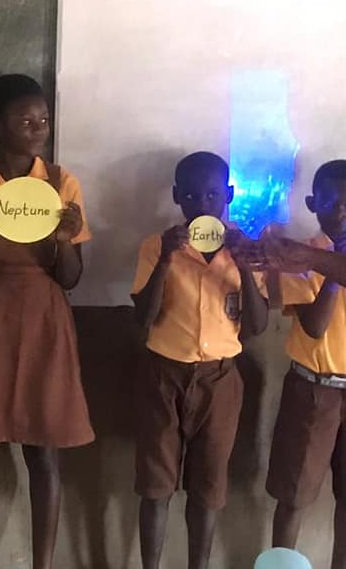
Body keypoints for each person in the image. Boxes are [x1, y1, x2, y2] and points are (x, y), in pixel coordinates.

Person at [0, 74, 93, 569]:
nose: (38, 128)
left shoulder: (61, 183)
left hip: (44, 318)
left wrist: (66, 240)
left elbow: (70, 278)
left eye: (43, 119)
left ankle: (42, 564)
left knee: (43, 450)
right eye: (25, 120)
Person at [131, 151, 268, 569]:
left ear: (228, 194)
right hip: (163, 374)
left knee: (208, 488)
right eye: (190, 195)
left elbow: (257, 327)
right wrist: (167, 259)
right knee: (156, 486)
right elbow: (144, 318)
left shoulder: (246, 247)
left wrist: (244, 267)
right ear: (176, 197)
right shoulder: (157, 246)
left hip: (220, 381)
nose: (202, 204)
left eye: (212, 194)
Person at [262, 160, 346, 569]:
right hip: (315, 388)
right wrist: (333, 267)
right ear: (313, 204)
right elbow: (314, 326)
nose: (344, 213)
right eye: (333, 203)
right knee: (295, 496)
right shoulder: (300, 255)